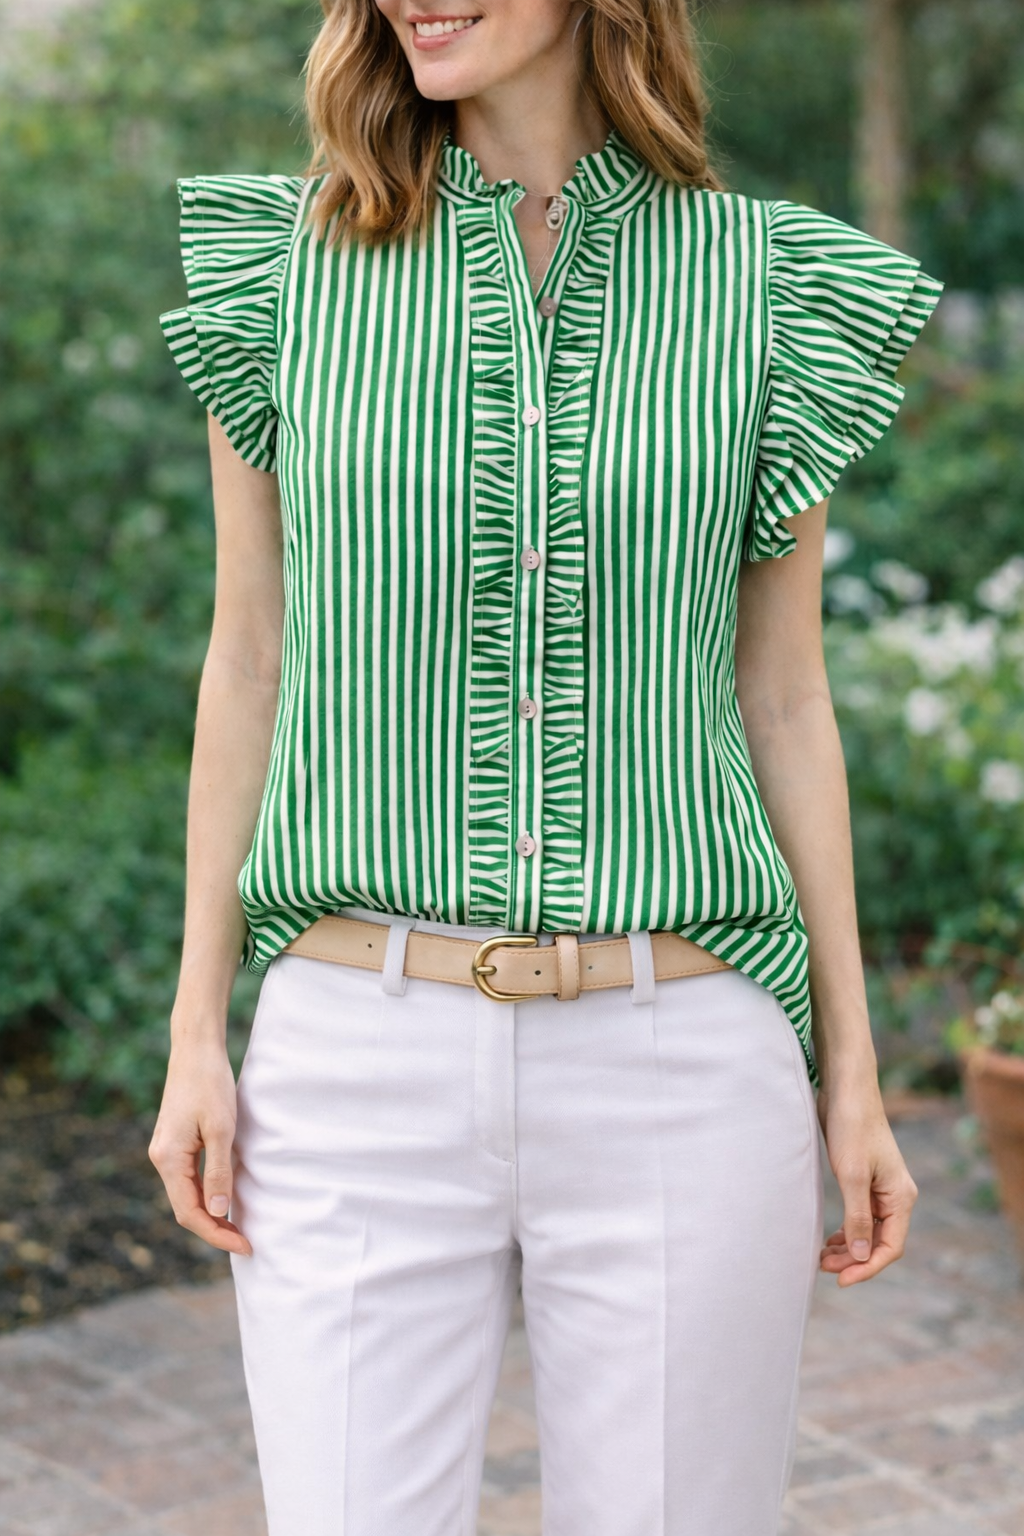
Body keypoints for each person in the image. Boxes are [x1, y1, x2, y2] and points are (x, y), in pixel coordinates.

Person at [148, 0, 944, 1531]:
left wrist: (854, 1070)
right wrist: (197, 1031)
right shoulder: (289, 269)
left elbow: (785, 703)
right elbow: (246, 658)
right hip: (353, 1052)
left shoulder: (759, 284)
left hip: (681, 1055)